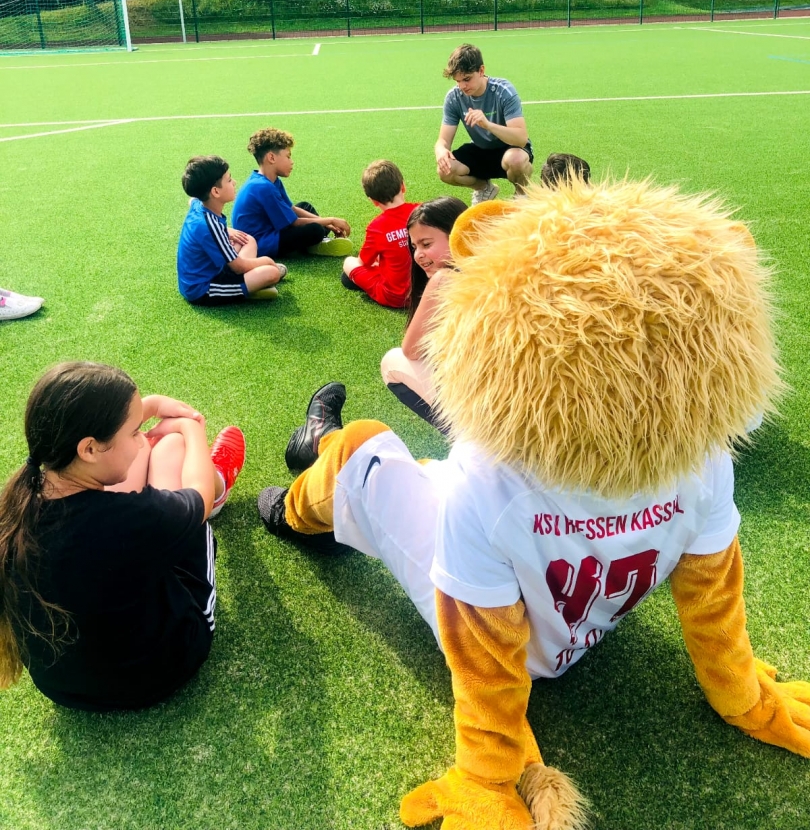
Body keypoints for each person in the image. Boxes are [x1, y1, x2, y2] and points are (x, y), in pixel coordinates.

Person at [257, 180, 810, 830]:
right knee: (435, 474)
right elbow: (711, 595)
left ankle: (296, 504)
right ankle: (320, 451)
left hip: (518, 645)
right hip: (576, 617)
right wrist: (746, 698)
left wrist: (487, 777)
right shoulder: (705, 459)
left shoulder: (490, 483)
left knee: (365, 447)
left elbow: (481, 642)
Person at [0, 361, 246, 710]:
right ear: (88, 448)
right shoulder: (130, 520)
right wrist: (193, 429)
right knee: (173, 449)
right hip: (160, 669)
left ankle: (188, 469)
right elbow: (198, 497)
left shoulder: (16, 506)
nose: (140, 438)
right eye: (133, 432)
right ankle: (218, 477)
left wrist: (151, 405)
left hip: (63, 690)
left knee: (152, 452)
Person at [380, 197, 466, 428]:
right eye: (414, 247)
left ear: (458, 235)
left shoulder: (444, 279)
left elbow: (411, 350)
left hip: (490, 414)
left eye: (426, 244)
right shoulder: (499, 269)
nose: (418, 254)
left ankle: (467, 436)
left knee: (392, 362)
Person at [177, 155, 285, 306]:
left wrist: (226, 230)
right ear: (215, 191)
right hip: (203, 288)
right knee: (272, 273)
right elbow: (239, 267)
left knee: (247, 240)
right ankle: (249, 289)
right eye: (229, 180)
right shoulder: (209, 226)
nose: (234, 182)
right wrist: (267, 261)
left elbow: (191, 201)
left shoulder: (200, 204)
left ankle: (251, 283)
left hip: (214, 269)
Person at [435, 43, 533, 205]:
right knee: (445, 170)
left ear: (481, 70)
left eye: (467, 79)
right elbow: (443, 140)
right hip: (481, 149)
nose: (462, 86)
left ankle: (521, 194)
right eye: (458, 81)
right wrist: (441, 152)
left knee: (516, 160)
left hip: (510, 147)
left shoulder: (503, 91)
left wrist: (488, 125)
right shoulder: (454, 97)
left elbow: (521, 139)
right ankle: (484, 188)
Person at [232, 128, 353, 258]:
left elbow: (292, 209)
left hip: (270, 228)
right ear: (271, 157)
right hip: (261, 243)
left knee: (305, 207)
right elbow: (294, 223)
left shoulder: (270, 180)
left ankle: (315, 241)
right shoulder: (263, 187)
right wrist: (331, 220)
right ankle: (315, 242)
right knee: (315, 229)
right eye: (288, 156)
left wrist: (326, 223)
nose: (292, 161)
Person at [341, 160, 418, 308]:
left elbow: (363, 262)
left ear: (373, 201)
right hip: (426, 292)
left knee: (349, 262)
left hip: (395, 297)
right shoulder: (422, 211)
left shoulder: (376, 227)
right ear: (403, 186)